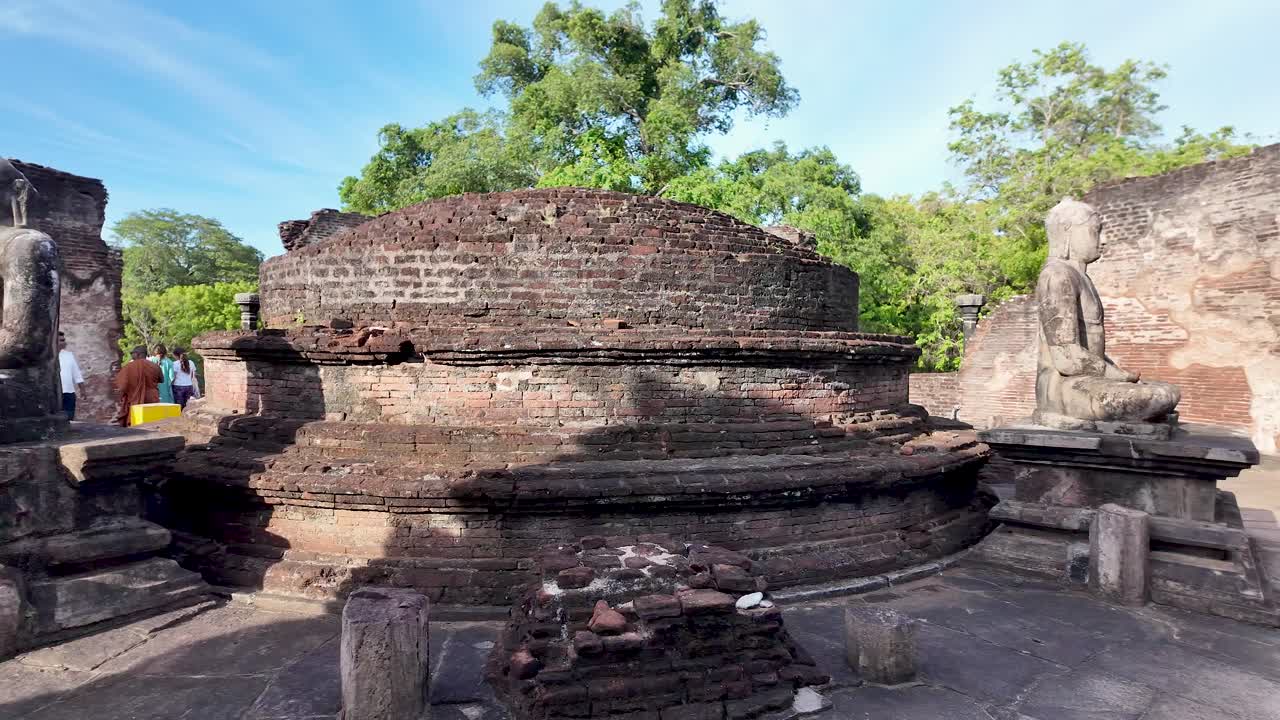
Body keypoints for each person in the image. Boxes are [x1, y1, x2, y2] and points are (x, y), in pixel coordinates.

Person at [116, 345, 161, 426]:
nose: (131, 355)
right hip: (151, 398)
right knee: (153, 423)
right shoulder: (154, 366)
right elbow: (162, 379)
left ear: (138, 354)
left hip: (134, 399)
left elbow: (122, 386)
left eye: (132, 353)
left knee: (135, 425)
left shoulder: (128, 367)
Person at [57, 331, 85, 420]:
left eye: (64, 340)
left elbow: (76, 374)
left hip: (69, 392)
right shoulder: (48, 356)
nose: (64, 342)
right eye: (61, 340)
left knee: (69, 417)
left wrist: (82, 390)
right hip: (55, 394)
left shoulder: (69, 355)